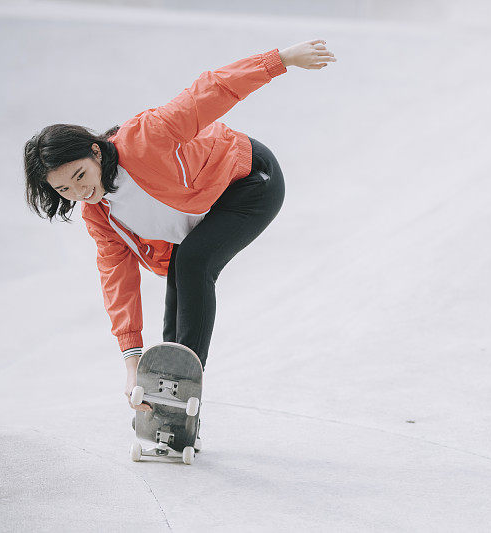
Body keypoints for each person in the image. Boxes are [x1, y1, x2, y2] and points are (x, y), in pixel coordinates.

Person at [23, 40, 337, 414]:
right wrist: (132, 363)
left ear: (94, 151)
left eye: (80, 175)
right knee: (180, 272)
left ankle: (183, 386)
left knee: (192, 262)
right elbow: (117, 281)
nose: (81, 191)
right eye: (64, 190)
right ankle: (165, 396)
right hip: (212, 208)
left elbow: (210, 90)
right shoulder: (100, 216)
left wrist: (281, 60)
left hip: (253, 180)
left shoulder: (146, 137)